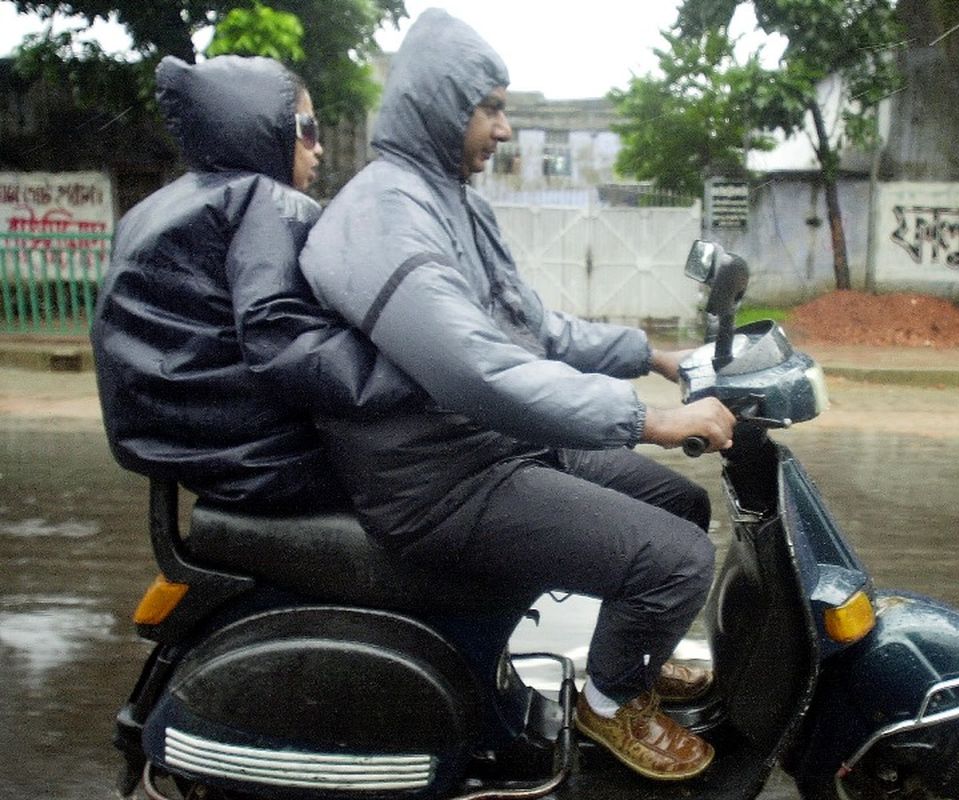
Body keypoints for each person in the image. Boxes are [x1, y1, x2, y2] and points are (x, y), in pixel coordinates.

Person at [300, 9, 736, 781]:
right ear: (443, 104)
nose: (503, 129)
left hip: (485, 445)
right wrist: (649, 421)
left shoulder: (452, 200)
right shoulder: (385, 213)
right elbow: (474, 369)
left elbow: (534, 329)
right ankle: (607, 706)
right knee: (676, 562)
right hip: (441, 480)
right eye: (491, 107)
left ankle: (623, 665)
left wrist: (655, 356)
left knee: (680, 509)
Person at [91, 54, 415, 510]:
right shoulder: (267, 201)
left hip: (179, 447)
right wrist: (411, 374)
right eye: (308, 129)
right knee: (445, 478)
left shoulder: (156, 206)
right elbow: (283, 338)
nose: (318, 148)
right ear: (266, 127)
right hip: (267, 460)